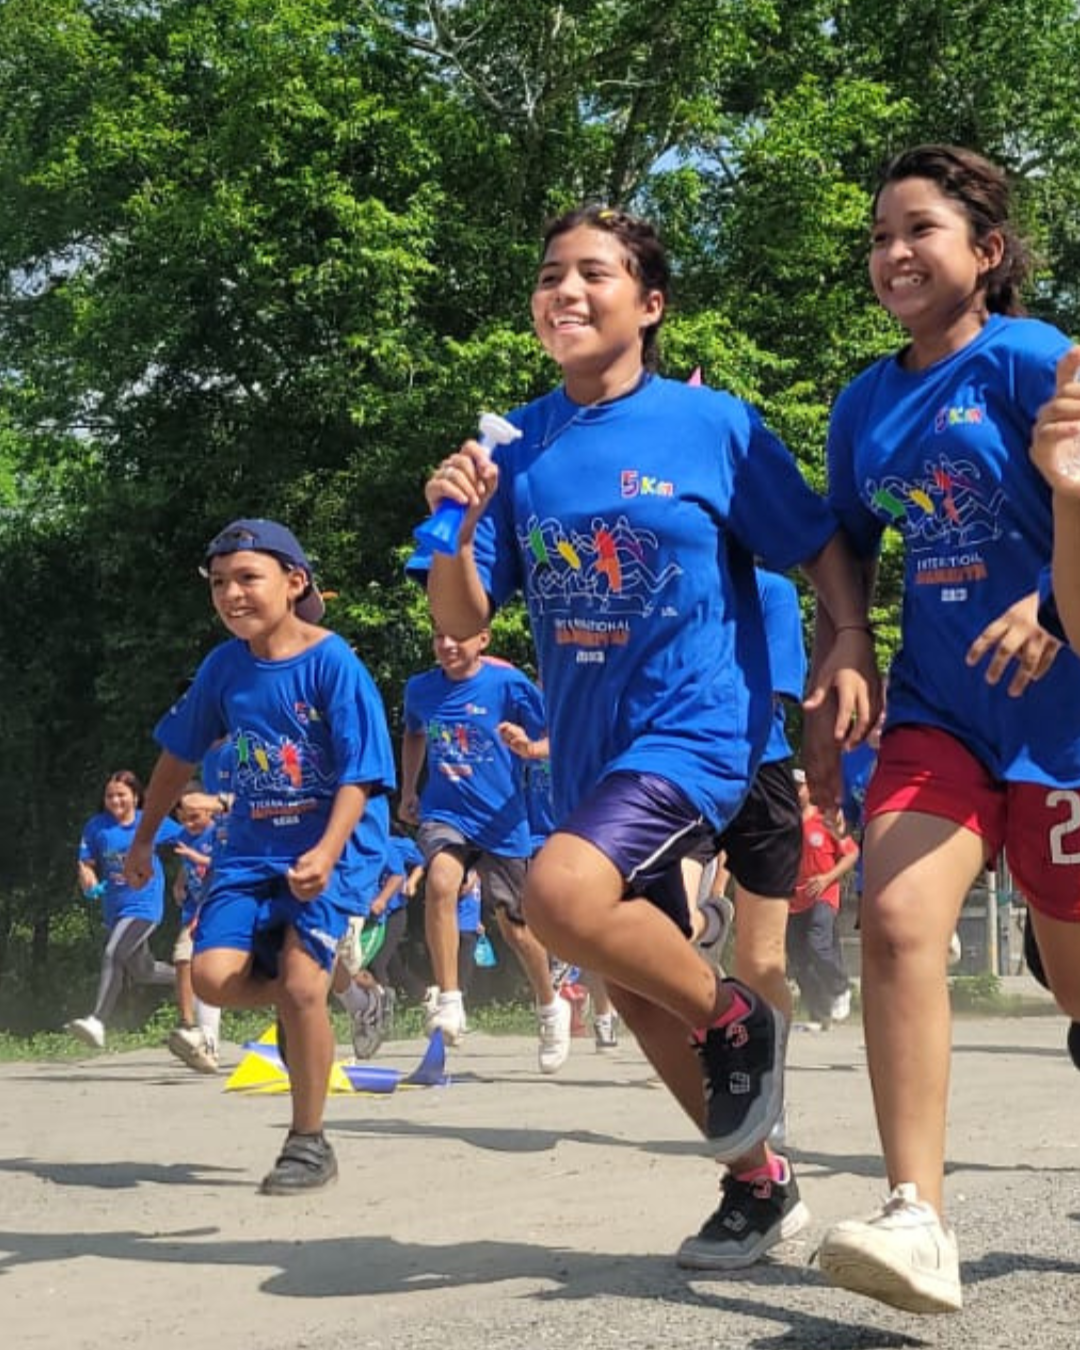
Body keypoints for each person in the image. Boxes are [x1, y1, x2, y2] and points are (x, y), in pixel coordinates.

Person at [418, 205, 877, 1265]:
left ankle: (735, 1017)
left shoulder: (709, 427)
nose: (564, 292)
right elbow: (462, 622)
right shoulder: (516, 445)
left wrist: (848, 638)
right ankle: (759, 1185)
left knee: (559, 899)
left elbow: (815, 541)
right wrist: (457, 519)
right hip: (586, 753)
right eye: (548, 276)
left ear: (650, 303)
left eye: (593, 273)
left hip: (696, 730)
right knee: (624, 972)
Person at [810, 145, 1080, 1313]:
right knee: (896, 916)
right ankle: (917, 1216)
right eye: (878, 236)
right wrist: (852, 639)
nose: (893, 254)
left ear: (988, 251)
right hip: (941, 711)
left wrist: (1057, 598)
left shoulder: (1036, 361)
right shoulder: (866, 402)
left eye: (918, 229)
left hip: (1067, 722)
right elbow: (845, 537)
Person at [123, 518, 395, 1195]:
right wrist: (139, 840)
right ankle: (349, 991)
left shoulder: (334, 663)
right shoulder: (224, 668)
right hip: (252, 848)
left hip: (337, 840)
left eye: (248, 578)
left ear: (294, 582)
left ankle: (308, 1143)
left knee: (301, 984)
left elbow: (362, 776)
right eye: (219, 583)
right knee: (212, 978)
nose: (231, 594)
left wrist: (329, 851)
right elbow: (175, 758)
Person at [400, 631, 573, 1073]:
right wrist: (408, 789)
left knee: (516, 929)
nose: (446, 644)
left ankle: (550, 1006)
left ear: (483, 639)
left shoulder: (509, 685)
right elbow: (414, 733)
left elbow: (560, 733)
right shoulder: (421, 688)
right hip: (445, 812)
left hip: (501, 818)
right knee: (441, 881)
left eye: (458, 636)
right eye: (437, 635)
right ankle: (451, 1000)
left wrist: (531, 748)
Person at [498, 718, 621, 1051]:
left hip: (579, 830)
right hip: (536, 834)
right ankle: (558, 962)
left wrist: (535, 748)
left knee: (592, 937)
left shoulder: (581, 723)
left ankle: (605, 1016)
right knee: (533, 904)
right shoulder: (526, 727)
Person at [67, 770, 183, 1049]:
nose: (115, 800)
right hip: (115, 910)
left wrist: (184, 877)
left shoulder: (150, 823)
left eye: (121, 794)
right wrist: (88, 880)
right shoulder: (97, 826)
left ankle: (97, 1021)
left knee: (113, 953)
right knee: (143, 971)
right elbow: (86, 863)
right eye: (110, 795)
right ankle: (190, 978)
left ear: (135, 796)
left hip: (144, 907)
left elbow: (190, 839)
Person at [786, 769, 859, 1025]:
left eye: (800, 786)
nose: (796, 792)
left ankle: (841, 987)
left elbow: (851, 853)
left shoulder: (825, 820)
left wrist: (827, 878)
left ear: (810, 789)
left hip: (823, 893)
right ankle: (819, 1012)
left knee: (818, 943)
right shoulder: (784, 822)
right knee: (798, 959)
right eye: (792, 786)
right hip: (794, 899)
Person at [167, 783, 225, 1072]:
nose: (189, 824)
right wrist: (179, 881)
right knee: (182, 958)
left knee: (205, 971)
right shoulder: (181, 836)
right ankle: (188, 1024)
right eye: (183, 818)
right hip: (192, 908)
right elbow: (185, 865)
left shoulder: (217, 832)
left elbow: (223, 866)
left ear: (209, 811)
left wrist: (196, 858)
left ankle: (209, 1040)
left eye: (195, 817)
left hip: (215, 906)